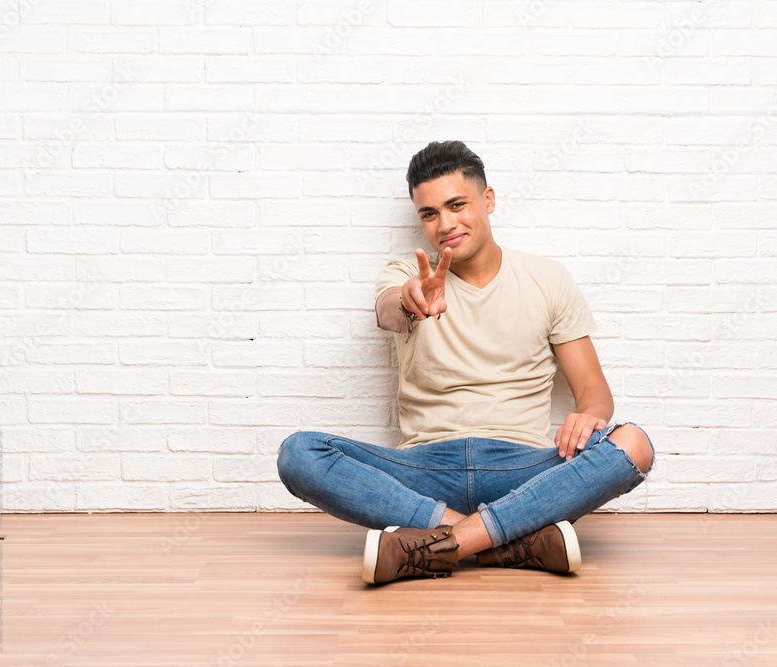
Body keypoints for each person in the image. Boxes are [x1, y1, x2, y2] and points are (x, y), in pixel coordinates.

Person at [277, 140, 656, 585]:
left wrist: (587, 416)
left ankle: (441, 545)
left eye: (457, 205)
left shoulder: (548, 278)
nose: (445, 224)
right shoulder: (407, 275)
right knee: (298, 453)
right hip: (424, 471)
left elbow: (593, 390)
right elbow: (389, 309)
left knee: (634, 444)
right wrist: (411, 301)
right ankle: (510, 540)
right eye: (429, 213)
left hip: (522, 469)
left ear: (488, 199)